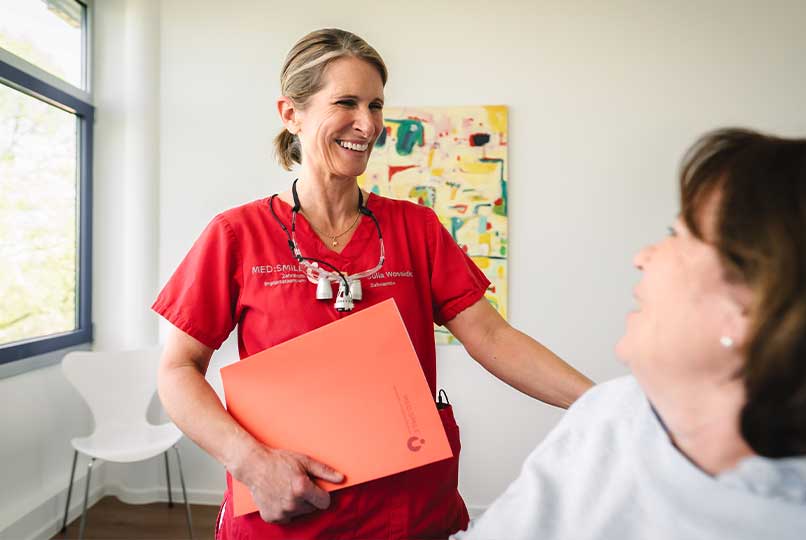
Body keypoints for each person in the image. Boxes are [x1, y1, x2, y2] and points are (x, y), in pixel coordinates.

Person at [153, 28, 593, 540]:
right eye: (346, 102)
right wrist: (249, 461)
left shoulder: (416, 228)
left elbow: (492, 338)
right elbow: (177, 369)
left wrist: (601, 403)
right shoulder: (237, 235)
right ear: (291, 114)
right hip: (291, 511)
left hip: (410, 513)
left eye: (377, 105)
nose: (368, 124)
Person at [452, 128, 806, 539]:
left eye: (680, 236)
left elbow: (490, 334)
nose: (643, 257)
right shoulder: (612, 412)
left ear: (756, 309)